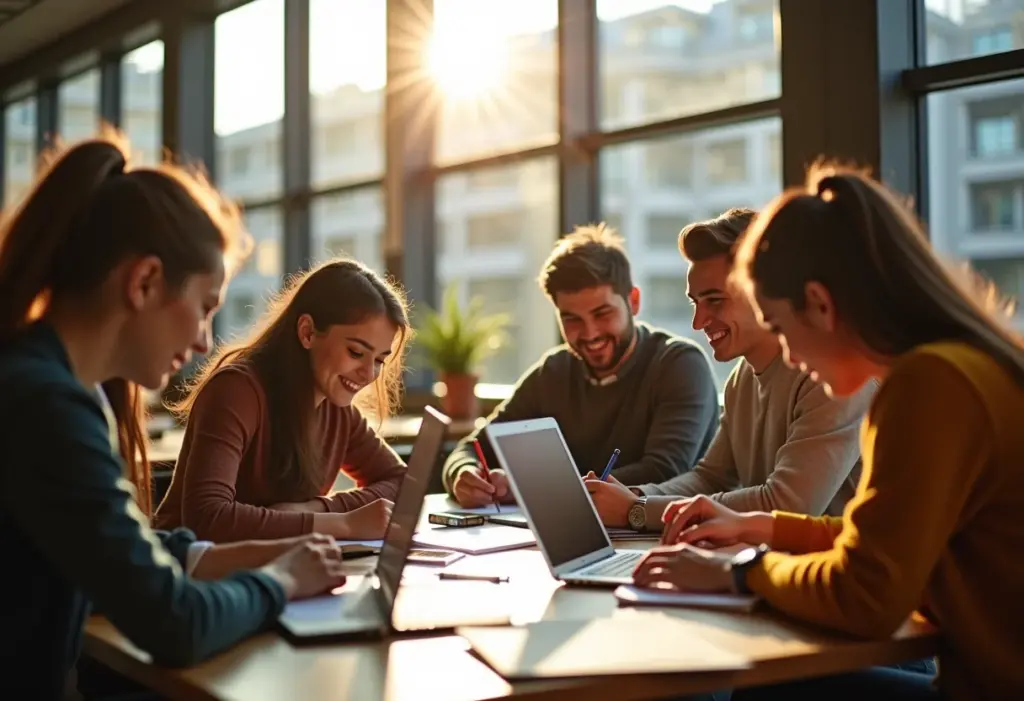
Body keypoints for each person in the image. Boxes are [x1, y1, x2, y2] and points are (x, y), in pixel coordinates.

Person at [632, 164, 1024, 699]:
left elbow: (865, 594)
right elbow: (882, 540)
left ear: (819, 303)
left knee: (757, 688)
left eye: (779, 326)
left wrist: (741, 573)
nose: (787, 353)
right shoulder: (960, 365)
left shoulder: (928, 386)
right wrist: (762, 529)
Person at [0, 136, 346, 700]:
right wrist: (279, 582)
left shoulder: (52, 386)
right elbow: (175, 624)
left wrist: (232, 555)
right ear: (143, 283)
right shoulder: (47, 406)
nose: (206, 340)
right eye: (206, 307)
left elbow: (112, 552)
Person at [586, 209, 874, 533]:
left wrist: (637, 511)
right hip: (769, 565)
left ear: (763, 292)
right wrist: (632, 497)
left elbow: (786, 504)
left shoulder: (829, 374)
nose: (698, 322)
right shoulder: (742, 379)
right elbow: (709, 478)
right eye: (696, 302)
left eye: (715, 300)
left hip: (838, 576)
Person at [442, 223, 720, 507]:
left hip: (664, 534)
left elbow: (663, 470)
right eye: (572, 319)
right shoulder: (553, 372)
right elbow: (472, 448)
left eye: (603, 313)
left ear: (633, 301)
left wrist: (533, 487)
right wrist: (463, 474)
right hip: (576, 533)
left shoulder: (680, 364)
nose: (590, 334)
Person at [154, 258, 409, 543]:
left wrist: (318, 509)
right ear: (307, 332)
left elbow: (402, 482)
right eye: (356, 352)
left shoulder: (336, 408)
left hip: (271, 568)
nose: (368, 374)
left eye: (379, 360)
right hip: (186, 572)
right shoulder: (237, 390)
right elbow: (208, 519)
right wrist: (343, 524)